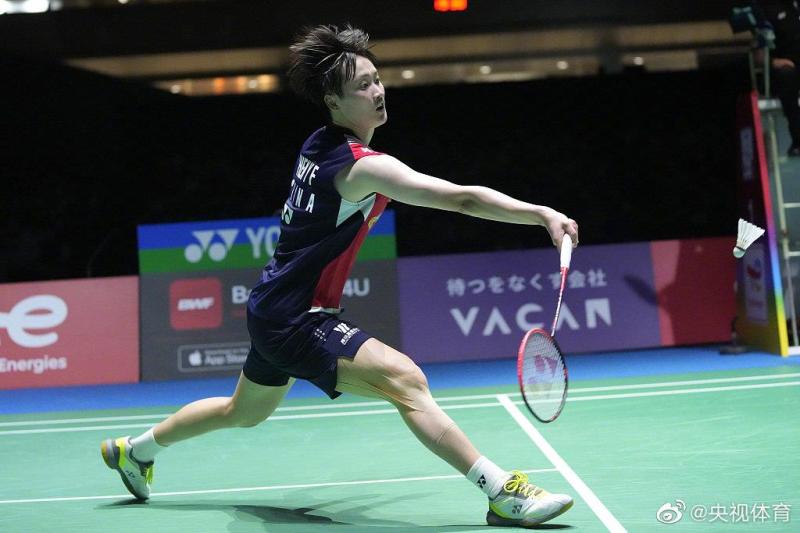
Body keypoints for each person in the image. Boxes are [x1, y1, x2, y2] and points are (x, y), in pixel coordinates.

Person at [101, 24, 579, 528]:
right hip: (297, 316)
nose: (378, 91)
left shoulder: (318, 144)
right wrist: (541, 214)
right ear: (333, 100)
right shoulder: (361, 168)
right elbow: (461, 199)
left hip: (272, 308)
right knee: (406, 381)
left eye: (377, 79)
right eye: (362, 86)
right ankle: (502, 492)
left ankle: (135, 450)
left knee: (242, 412)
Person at [760, 0, 800, 155]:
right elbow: (758, 54)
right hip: (786, 69)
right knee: (787, 75)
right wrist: (773, 62)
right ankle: (798, 139)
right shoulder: (768, 9)